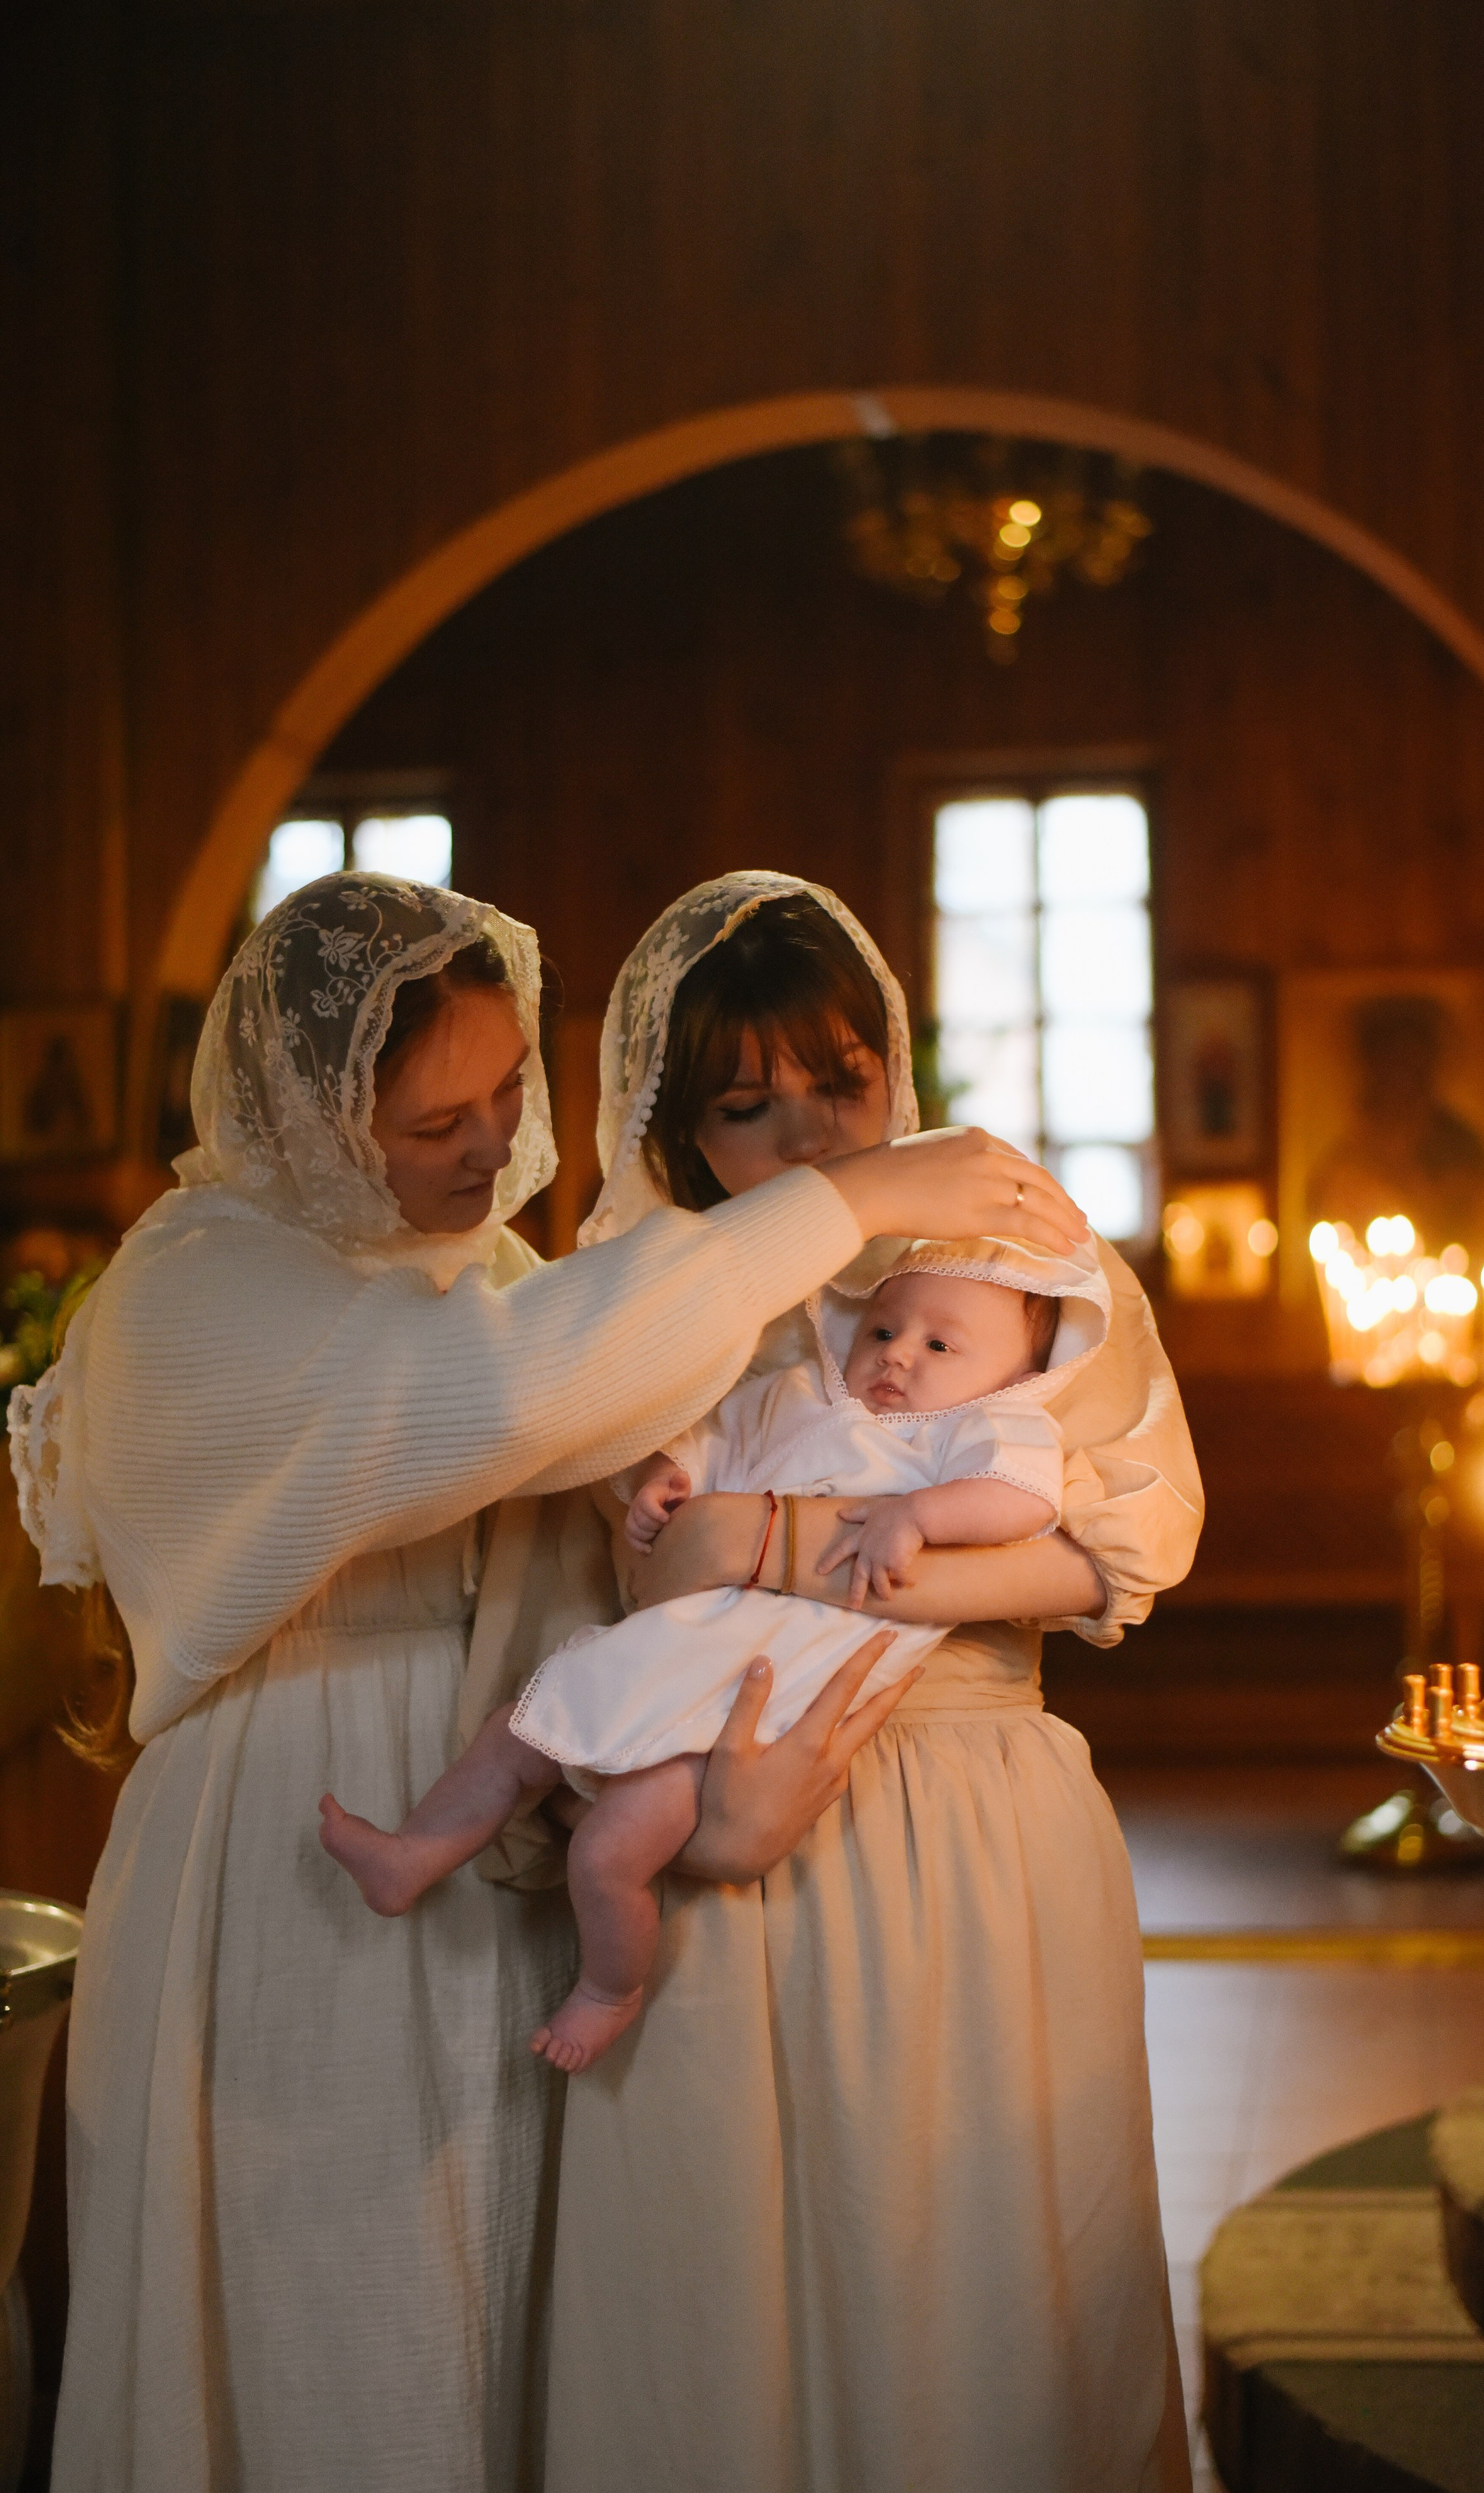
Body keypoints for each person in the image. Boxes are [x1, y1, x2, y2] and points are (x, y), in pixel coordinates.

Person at [7, 870, 1083, 2493]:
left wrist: (699, 1787)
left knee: (494, 2331)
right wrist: (849, 1195)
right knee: (324, 2320)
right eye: (433, 1113)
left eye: (507, 1091)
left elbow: (627, 1545)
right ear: (304, 1109)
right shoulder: (198, 1283)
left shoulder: (490, 1271)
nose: (482, 1144)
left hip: (483, 1821)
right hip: (291, 1828)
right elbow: (493, 1405)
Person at [461, 871, 1205, 2493]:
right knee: (727, 2279)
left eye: (841, 1082)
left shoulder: (1023, 1251)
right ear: (675, 1134)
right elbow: (653, 1571)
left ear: (893, 1063)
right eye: (746, 1105)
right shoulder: (667, 1299)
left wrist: (774, 1530)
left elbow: (1117, 1554)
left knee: (980, 2278)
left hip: (977, 1801)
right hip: (733, 1809)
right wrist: (748, 1537)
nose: (807, 1136)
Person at [322, 1238, 1100, 2074]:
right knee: (516, 1729)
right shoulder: (801, 1396)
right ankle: (415, 1854)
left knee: (609, 1850)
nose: (898, 1355)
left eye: (939, 1345)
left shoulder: (983, 1428)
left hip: (760, 1701)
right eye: (881, 1329)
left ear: (1021, 1374)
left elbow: (1020, 1500)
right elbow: (714, 1434)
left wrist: (918, 1515)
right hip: (679, 1643)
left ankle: (608, 1987)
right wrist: (671, 1475)